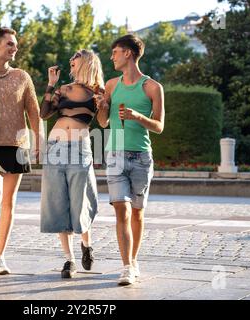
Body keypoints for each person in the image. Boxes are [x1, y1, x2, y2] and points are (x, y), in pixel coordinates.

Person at [96, 34, 165, 285]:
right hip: (114, 155)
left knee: (137, 213)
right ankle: (126, 266)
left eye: (115, 52)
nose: (112, 57)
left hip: (141, 157)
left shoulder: (153, 87)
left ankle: (134, 260)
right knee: (122, 211)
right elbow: (103, 123)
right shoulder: (112, 85)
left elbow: (159, 126)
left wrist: (137, 116)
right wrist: (102, 107)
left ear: (127, 53)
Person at [0, 27, 43, 275]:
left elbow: (33, 111)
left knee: (10, 203)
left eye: (15, 45)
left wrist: (39, 140)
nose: (15, 48)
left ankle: (1, 255)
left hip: (17, 145)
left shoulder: (23, 77)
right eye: (10, 44)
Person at [40, 49, 103, 278]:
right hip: (55, 148)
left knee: (80, 201)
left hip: (79, 149)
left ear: (86, 64)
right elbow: (44, 113)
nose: (70, 67)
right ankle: (69, 259)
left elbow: (104, 122)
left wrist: (103, 104)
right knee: (58, 203)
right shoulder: (63, 89)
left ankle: (86, 243)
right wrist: (50, 84)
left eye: (74, 63)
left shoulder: (98, 92)